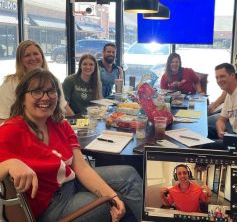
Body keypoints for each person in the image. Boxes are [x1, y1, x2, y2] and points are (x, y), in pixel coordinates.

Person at [0, 69, 142, 222]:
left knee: (128, 176)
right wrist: (10, 163)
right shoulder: (11, 130)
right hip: (51, 206)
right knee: (106, 205)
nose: (45, 97)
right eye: (37, 92)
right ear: (22, 98)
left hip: (70, 182)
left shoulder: (60, 124)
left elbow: (81, 167)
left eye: (50, 91)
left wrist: (111, 195)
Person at [0, 40, 73, 123]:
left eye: (35, 54)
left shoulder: (53, 80)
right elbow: (2, 119)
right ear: (20, 60)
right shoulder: (9, 83)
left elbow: (63, 108)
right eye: (27, 55)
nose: (33, 58)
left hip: (50, 130)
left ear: (42, 56)